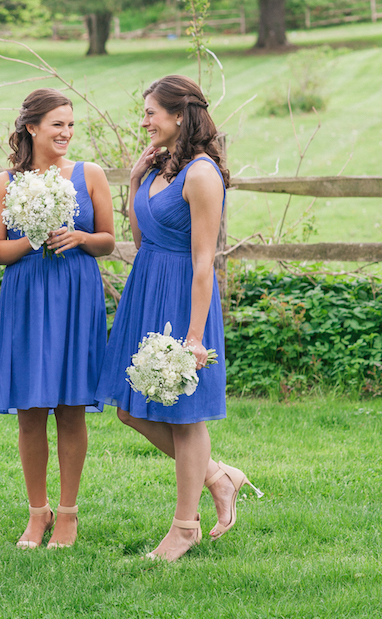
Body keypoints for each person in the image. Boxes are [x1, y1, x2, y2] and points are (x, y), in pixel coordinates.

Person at [95, 75, 261, 561]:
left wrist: (193, 335)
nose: (144, 121)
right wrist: (132, 181)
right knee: (128, 407)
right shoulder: (158, 167)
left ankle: (184, 528)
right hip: (146, 287)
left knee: (185, 416)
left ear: (179, 115)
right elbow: (142, 235)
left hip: (185, 300)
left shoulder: (202, 174)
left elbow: (204, 260)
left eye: (151, 112)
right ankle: (217, 475)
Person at [0, 88, 115, 549]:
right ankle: (36, 511)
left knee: (71, 407)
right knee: (30, 409)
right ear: (32, 127)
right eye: (57, 124)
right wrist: (33, 238)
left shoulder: (90, 174)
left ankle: (68, 513)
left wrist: (80, 236)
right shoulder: (4, 183)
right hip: (26, 293)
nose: (65, 133)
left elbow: (108, 241)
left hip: (75, 291)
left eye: (70, 125)